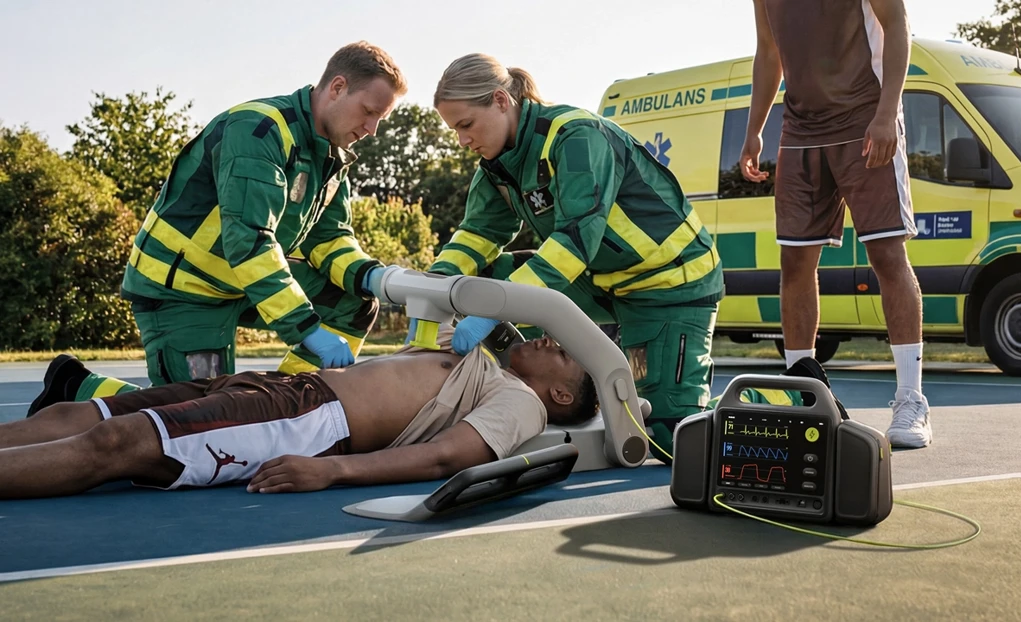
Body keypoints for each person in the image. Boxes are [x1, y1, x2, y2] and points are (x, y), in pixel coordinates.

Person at [425, 53, 725, 463]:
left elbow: (575, 241)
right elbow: (478, 235)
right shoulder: (497, 165)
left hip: (668, 283)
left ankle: (784, 398)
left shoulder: (577, 137)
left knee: (671, 438)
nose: (461, 140)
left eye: (465, 125)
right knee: (478, 278)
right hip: (603, 280)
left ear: (499, 101)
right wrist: (433, 286)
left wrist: (496, 309)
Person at [79, 41, 407, 406]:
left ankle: (284, 403)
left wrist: (372, 277)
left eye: (381, 118)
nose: (373, 128)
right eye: (368, 111)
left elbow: (329, 239)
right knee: (201, 415)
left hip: (238, 282)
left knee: (353, 301)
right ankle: (77, 388)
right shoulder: (258, 130)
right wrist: (308, 329)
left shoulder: (330, 157)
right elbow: (250, 240)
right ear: (337, 88)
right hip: (183, 289)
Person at [3, 324, 598, 499]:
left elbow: (449, 455)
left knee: (117, 443)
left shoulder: (524, 404)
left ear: (563, 395)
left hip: (313, 420)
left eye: (563, 353)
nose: (550, 341)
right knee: (76, 416)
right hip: (283, 389)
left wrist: (334, 471)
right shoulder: (487, 364)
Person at [739, 0, 932, 448]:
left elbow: (898, 26)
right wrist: (754, 129)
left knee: (886, 253)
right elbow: (768, 52)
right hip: (802, 128)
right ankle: (801, 392)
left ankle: (911, 399)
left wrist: (887, 114)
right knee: (794, 261)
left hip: (866, 117)